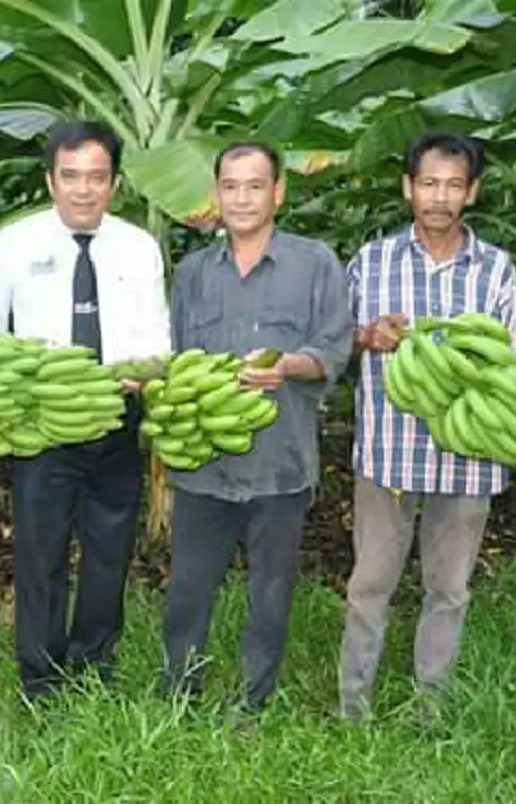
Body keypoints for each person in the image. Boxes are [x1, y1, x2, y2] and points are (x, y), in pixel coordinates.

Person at [338, 132, 516, 721]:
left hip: (468, 455)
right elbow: (331, 345)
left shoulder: (496, 270)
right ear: (408, 188)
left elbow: (515, 361)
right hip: (387, 455)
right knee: (369, 586)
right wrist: (366, 337)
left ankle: (432, 706)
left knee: (448, 590)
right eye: (428, 183)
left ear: (471, 192)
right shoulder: (370, 263)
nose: (439, 197)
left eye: (453, 185)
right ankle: (353, 705)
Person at [0, 120, 171, 702]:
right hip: (43, 420)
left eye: (96, 177)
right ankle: (40, 676)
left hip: (118, 414)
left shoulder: (137, 247)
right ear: (49, 180)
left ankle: (94, 664)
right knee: (40, 551)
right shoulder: (13, 245)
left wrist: (145, 374)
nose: (83, 190)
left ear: (114, 183)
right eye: (70, 177)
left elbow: (157, 334)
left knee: (110, 549)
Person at [161, 140, 352, 714]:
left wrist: (289, 366)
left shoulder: (314, 263)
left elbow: (333, 349)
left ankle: (254, 701)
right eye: (230, 186)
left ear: (279, 192)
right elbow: (176, 359)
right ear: (216, 193)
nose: (241, 198)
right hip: (203, 464)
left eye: (255, 185)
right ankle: (179, 694)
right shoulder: (193, 273)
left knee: (270, 593)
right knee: (189, 591)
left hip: (280, 461)